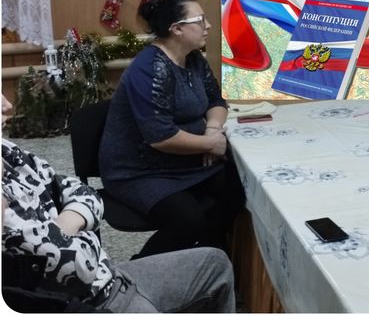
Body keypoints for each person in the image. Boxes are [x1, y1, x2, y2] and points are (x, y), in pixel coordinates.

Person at [1, 95, 236, 312]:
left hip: (112, 276)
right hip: (92, 303)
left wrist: (67, 224)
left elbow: (80, 190)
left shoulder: (7, 150)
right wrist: (81, 227)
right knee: (187, 217)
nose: (7, 104)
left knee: (216, 262)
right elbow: (77, 267)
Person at [99, 0, 245, 259]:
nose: (208, 26)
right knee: (187, 221)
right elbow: (160, 136)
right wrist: (208, 144)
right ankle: (135, 273)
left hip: (185, 158)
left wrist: (212, 129)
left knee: (239, 184)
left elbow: (216, 100)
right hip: (140, 170)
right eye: (200, 20)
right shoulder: (151, 68)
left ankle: (208, 254)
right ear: (177, 29)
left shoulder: (194, 59)